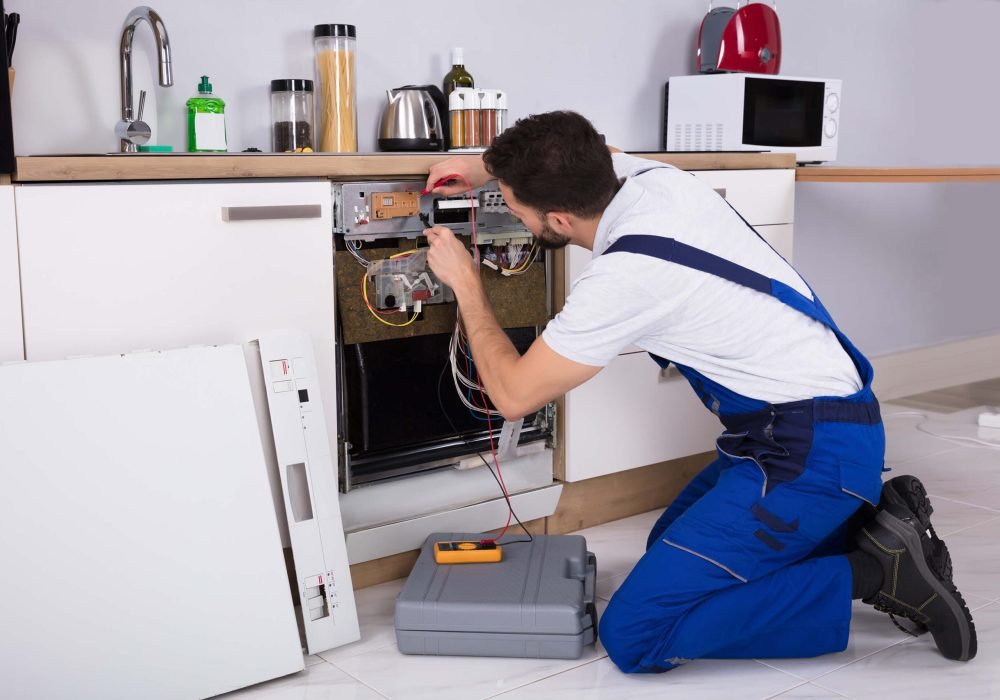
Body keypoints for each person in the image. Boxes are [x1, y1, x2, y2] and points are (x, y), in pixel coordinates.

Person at [422, 110, 976, 672]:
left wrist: (468, 284)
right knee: (667, 546)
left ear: (559, 219)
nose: (506, 210)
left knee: (639, 634)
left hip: (807, 453)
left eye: (511, 206)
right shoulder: (651, 180)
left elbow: (514, 396)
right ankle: (867, 526)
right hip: (808, 430)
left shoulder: (628, 275)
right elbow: (590, 146)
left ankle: (881, 571)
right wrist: (482, 166)